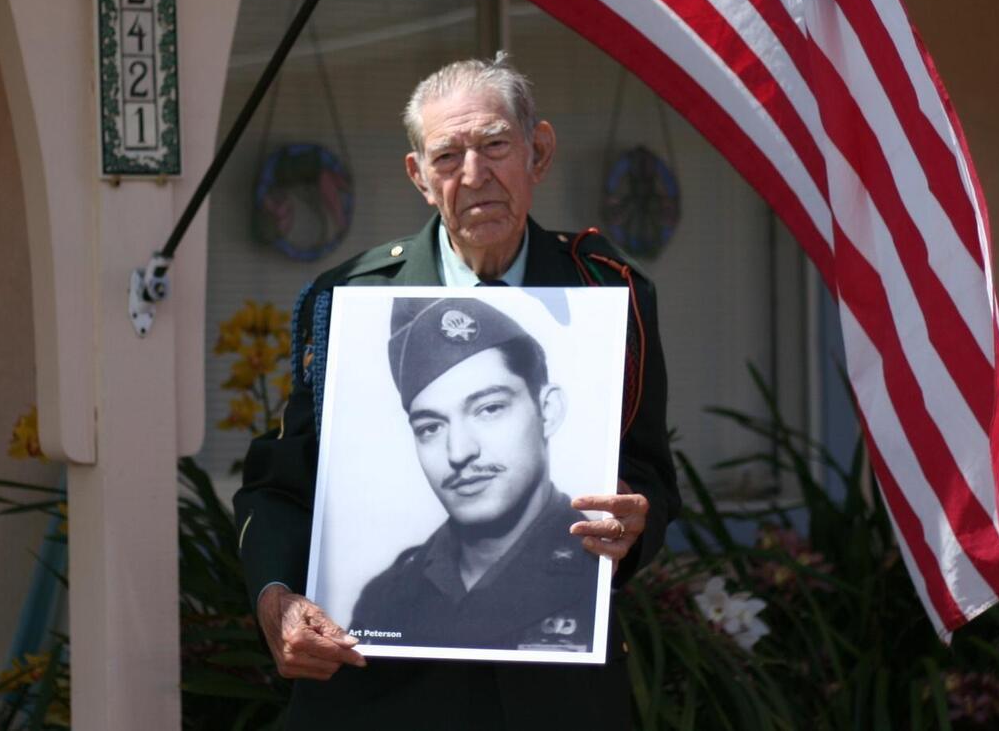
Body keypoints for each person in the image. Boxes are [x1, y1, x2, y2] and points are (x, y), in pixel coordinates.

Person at [234, 53, 680, 730]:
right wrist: (276, 599)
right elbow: (284, 486)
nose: (475, 176)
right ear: (419, 176)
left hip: (554, 700)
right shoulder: (349, 300)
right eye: (447, 156)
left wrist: (634, 522)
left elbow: (648, 467)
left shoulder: (607, 290)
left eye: (496, 146)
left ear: (539, 152)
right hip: (376, 698)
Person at [348, 296, 598, 652]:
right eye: (430, 427)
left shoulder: (602, 570)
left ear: (548, 410)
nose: (459, 452)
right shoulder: (385, 596)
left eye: (489, 409)